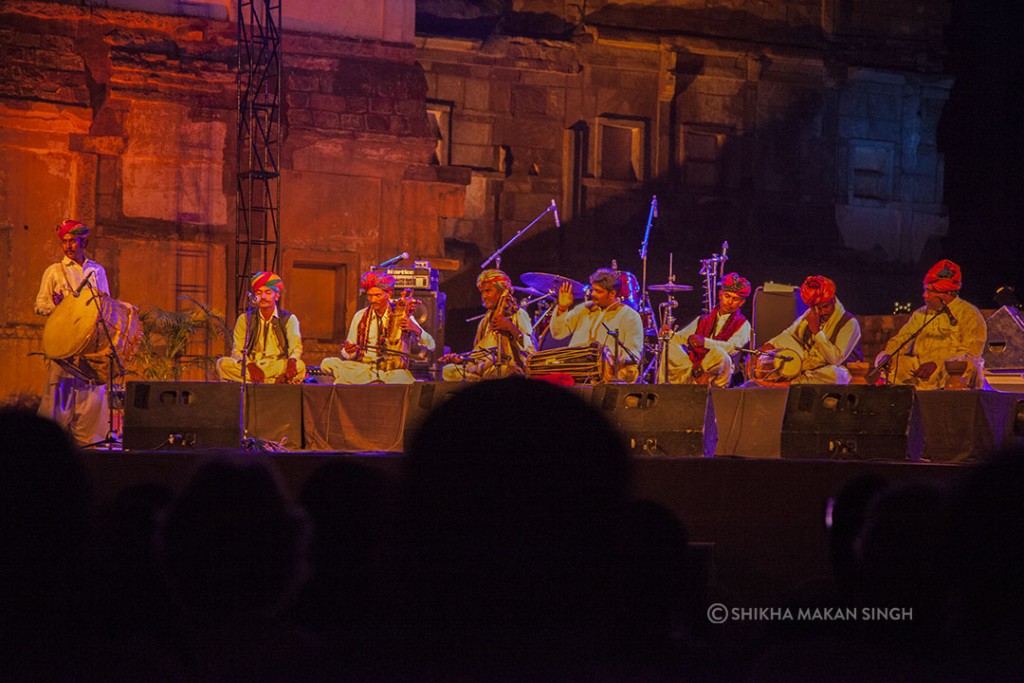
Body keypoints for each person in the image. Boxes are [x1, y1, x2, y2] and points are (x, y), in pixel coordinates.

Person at [34, 219, 110, 446]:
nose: (68, 246)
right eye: (64, 242)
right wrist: (60, 308)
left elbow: (105, 305)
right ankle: (48, 447)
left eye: (73, 241)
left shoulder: (96, 271)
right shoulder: (54, 272)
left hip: (89, 349)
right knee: (57, 403)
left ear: (83, 241)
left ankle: (91, 448)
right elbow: (39, 305)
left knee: (90, 401)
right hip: (63, 349)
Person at [874, 259, 987, 389]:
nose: (925, 295)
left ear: (947, 293)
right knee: (895, 362)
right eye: (925, 290)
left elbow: (970, 353)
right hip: (920, 371)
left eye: (930, 291)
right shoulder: (920, 314)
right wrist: (888, 356)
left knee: (966, 365)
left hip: (949, 371)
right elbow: (901, 340)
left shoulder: (969, 314)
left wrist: (937, 364)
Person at [322, 271, 434, 384]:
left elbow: (431, 345)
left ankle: (371, 381)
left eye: (377, 295)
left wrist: (416, 329)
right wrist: (348, 350)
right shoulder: (360, 316)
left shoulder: (401, 314)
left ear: (389, 294)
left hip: (392, 372)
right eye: (370, 295)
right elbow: (348, 353)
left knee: (401, 378)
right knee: (327, 363)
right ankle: (372, 380)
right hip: (364, 369)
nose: (373, 300)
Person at [752, 275, 861, 385]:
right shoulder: (810, 314)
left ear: (833, 300)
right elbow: (788, 334)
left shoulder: (849, 323)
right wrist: (766, 349)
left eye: (825, 307)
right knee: (783, 343)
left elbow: (835, 360)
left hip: (833, 371)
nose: (821, 312)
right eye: (816, 308)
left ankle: (787, 385)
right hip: (809, 366)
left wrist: (817, 332)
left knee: (834, 373)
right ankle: (777, 379)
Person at [549, 268, 645, 382]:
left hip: (603, 379)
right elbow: (558, 333)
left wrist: (612, 359)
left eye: (598, 291)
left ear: (612, 294)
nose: (593, 294)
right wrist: (562, 308)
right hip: (573, 373)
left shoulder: (630, 316)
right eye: (593, 289)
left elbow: (633, 354)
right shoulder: (584, 309)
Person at [441, 269, 535, 381]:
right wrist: (461, 360)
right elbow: (480, 355)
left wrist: (510, 327)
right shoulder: (485, 321)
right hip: (485, 371)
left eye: (488, 291)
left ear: (501, 292)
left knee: (503, 371)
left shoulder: (519, 314)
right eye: (482, 292)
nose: (484, 296)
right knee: (449, 370)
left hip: (508, 369)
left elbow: (531, 350)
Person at [216, 272, 306, 383]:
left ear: (277, 296)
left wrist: (291, 362)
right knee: (222, 364)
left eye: (268, 292)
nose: (263, 297)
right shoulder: (245, 319)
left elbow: (295, 348)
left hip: (277, 364)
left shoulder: (289, 319)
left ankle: (260, 382)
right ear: (254, 297)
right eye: (259, 293)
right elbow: (237, 351)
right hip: (253, 364)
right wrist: (250, 365)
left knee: (300, 366)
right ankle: (275, 382)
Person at [665, 272, 751, 386]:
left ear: (741, 302)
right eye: (727, 296)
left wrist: (705, 342)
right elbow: (681, 338)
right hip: (696, 365)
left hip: (722, 370)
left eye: (735, 299)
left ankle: (695, 378)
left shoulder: (743, 324)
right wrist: (669, 333)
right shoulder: (703, 319)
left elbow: (732, 348)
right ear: (720, 295)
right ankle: (667, 384)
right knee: (670, 342)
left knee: (719, 353)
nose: (729, 302)